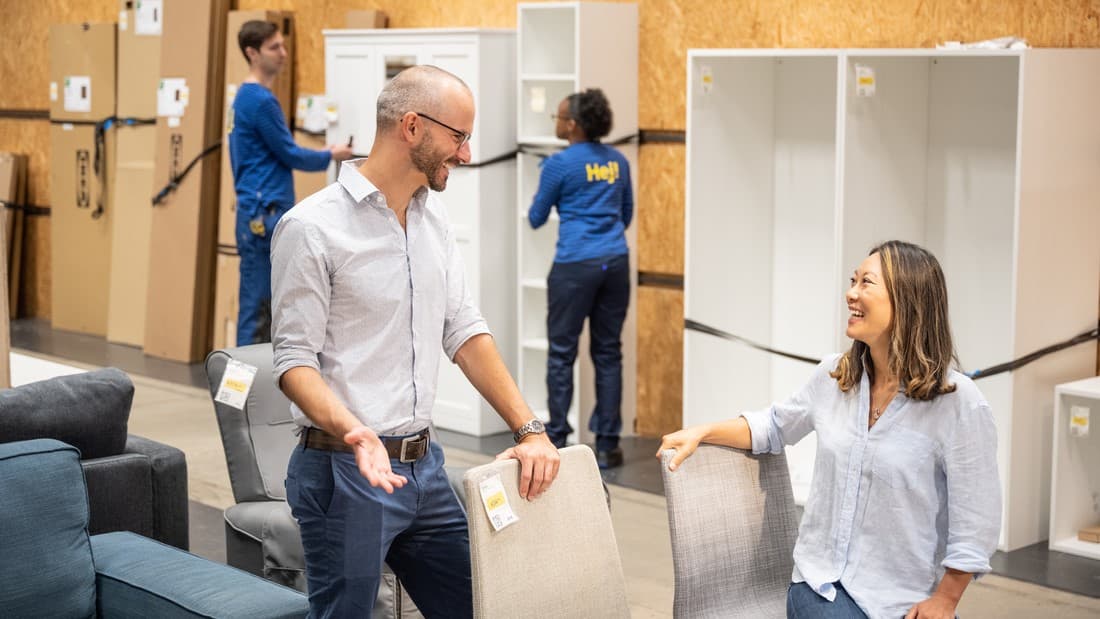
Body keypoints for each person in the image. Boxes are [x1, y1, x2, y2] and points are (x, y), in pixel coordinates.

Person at [271, 65, 560, 618]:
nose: (467, 154)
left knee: (479, 605)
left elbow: (464, 330)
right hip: (344, 472)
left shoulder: (433, 220)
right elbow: (293, 361)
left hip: (424, 468)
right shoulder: (312, 228)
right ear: (411, 127)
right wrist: (355, 432)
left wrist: (530, 430)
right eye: (459, 137)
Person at [658, 241, 1001, 619]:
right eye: (853, 280)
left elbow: (976, 519)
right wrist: (703, 431)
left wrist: (945, 600)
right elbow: (772, 426)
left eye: (866, 283)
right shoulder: (835, 376)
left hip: (906, 598)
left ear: (908, 300)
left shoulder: (959, 402)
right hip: (821, 586)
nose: (850, 293)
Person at [228, 20, 353, 346]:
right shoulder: (259, 101)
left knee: (261, 306)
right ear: (252, 53)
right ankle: (242, 393)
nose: (283, 53)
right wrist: (331, 154)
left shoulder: (245, 98)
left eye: (283, 45)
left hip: (257, 211)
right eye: (274, 48)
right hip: (263, 213)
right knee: (258, 309)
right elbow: (289, 153)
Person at [528, 88, 634, 469]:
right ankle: (608, 445)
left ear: (571, 124)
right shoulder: (619, 162)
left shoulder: (559, 165)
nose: (555, 123)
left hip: (574, 266)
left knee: (561, 353)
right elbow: (625, 215)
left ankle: (556, 436)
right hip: (615, 264)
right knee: (608, 352)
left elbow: (537, 217)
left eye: (558, 117)